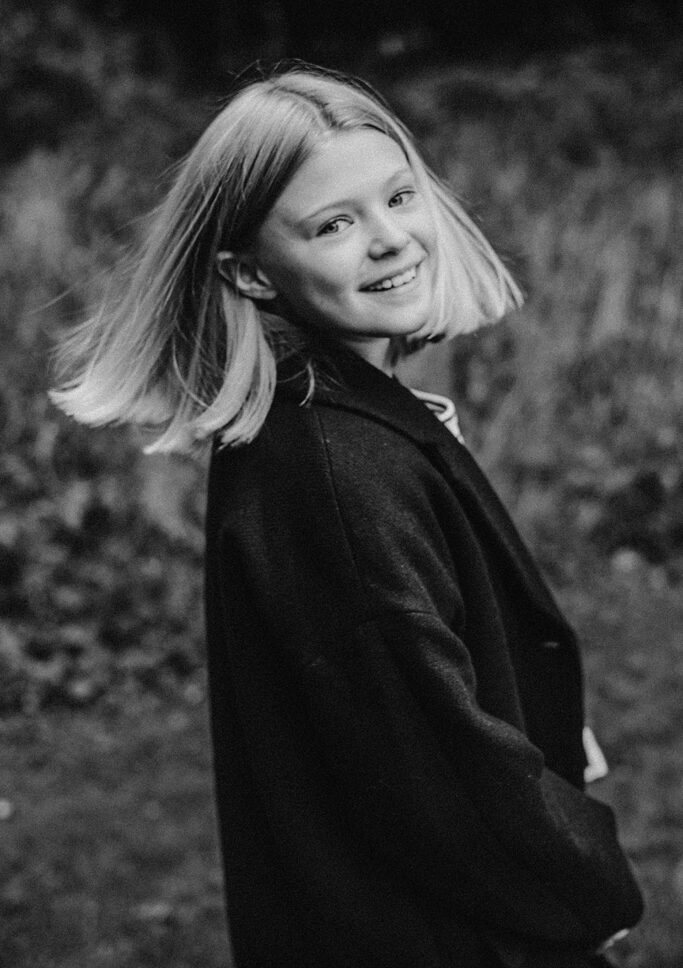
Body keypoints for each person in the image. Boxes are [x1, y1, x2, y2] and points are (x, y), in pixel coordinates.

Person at [50, 65, 643, 967]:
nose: (390, 240)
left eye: (398, 196)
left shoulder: (332, 418)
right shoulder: (332, 473)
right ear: (249, 272)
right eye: (333, 225)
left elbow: (396, 682)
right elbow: (435, 763)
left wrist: (535, 709)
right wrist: (584, 883)